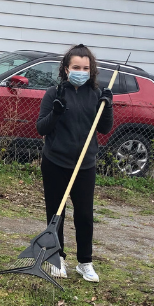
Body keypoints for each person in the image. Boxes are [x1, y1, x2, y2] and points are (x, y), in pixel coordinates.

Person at [35, 45, 113, 283]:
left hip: (85, 165)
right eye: (76, 67)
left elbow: (105, 128)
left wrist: (107, 106)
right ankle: (56, 258)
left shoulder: (96, 96)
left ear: (92, 70)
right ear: (66, 69)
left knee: (84, 215)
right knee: (56, 213)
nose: (81, 71)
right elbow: (41, 128)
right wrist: (56, 113)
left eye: (86, 68)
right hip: (56, 161)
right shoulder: (54, 93)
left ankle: (85, 262)